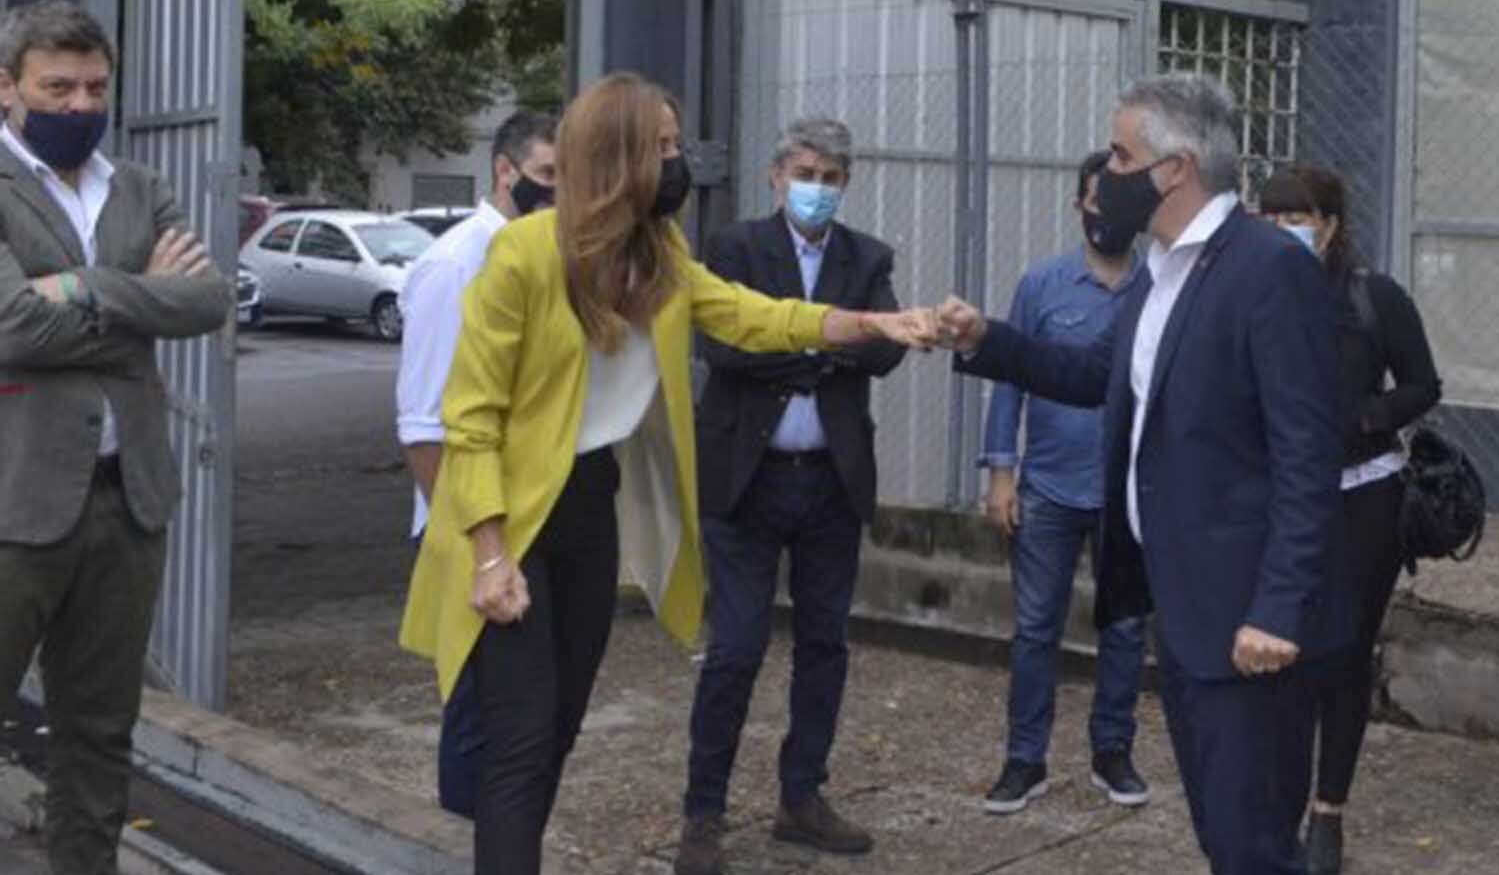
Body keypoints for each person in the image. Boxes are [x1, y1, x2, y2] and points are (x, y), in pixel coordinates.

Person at [397, 74, 935, 875]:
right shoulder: (522, 254)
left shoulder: (658, 255)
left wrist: (867, 323)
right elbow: (468, 417)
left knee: (560, 729)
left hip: (583, 505)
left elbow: (752, 314)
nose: (680, 164)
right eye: (664, 148)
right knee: (518, 738)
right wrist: (488, 551)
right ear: (615, 158)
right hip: (506, 515)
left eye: (676, 146)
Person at [935, 73, 1348, 875]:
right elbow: (1095, 376)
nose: (1106, 176)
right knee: (1223, 833)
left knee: (1254, 840)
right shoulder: (1160, 270)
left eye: (1121, 155)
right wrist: (985, 337)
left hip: (1246, 623)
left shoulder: (1266, 268)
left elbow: (1307, 452)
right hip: (1184, 607)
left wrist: (1276, 609)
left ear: (1174, 168)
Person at [0, 0, 233, 875]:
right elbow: (13, 329)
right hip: (14, 505)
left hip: (126, 503)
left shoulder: (139, 187)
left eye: (95, 86)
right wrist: (132, 291)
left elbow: (207, 302)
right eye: (56, 87)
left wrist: (77, 290)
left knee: (99, 731)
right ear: (7, 89)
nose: (78, 104)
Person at [675, 118, 906, 875]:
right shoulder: (735, 248)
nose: (817, 187)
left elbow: (883, 350)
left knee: (823, 648)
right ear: (776, 176)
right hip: (746, 482)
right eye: (805, 171)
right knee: (736, 650)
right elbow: (723, 347)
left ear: (846, 184)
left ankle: (800, 798)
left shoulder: (866, 257)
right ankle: (702, 813)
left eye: (832, 176)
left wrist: (800, 349)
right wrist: (819, 348)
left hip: (829, 485)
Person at [1258, 164, 1441, 875]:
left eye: (1295, 218)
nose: (1281, 232)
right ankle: (1275, 799)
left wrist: (1369, 414)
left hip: (1363, 496)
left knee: (1341, 656)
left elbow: (1423, 382)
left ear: (1330, 224)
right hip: (1278, 500)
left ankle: (1326, 812)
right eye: (1268, 219)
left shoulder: (1373, 297)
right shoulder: (1250, 295)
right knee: (1277, 649)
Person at [395, 110, 558, 819]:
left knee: (519, 723)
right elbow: (423, 428)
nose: (559, 193)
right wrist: (477, 545)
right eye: (547, 176)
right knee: (478, 717)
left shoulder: (541, 255)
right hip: (468, 530)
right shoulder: (458, 263)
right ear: (504, 169)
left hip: (519, 520)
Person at [977, 150, 1150, 816]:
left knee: (1127, 629)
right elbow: (1009, 377)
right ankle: (1024, 761)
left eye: (1117, 199)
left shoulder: (1157, 289)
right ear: (1077, 203)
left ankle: (1113, 751)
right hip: (1047, 489)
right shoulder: (1041, 285)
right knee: (1034, 630)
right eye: (1094, 198)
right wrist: (1001, 472)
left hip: (1127, 495)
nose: (1103, 212)